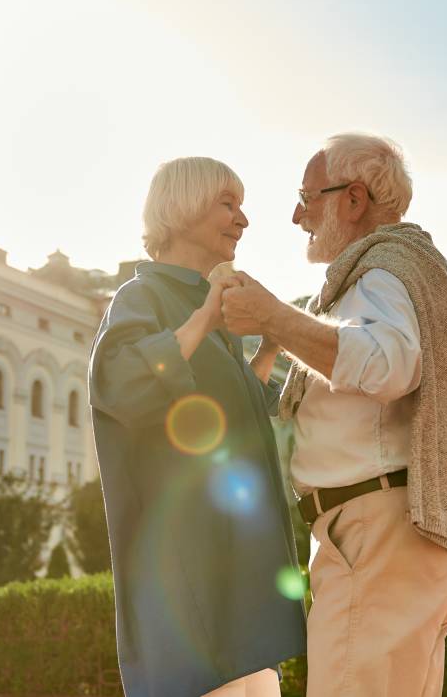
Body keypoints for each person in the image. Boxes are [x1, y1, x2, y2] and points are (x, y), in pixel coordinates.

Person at [219, 133, 447, 696]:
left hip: (377, 533)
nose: (295, 215)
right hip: (386, 535)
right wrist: (275, 339)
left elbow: (386, 366)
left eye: (307, 197)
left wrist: (277, 318)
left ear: (353, 199)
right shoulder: (391, 273)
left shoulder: (383, 271)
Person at [89, 157, 307, 697]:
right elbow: (121, 383)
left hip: (237, 572)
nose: (243, 220)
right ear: (182, 208)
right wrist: (208, 315)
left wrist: (271, 343)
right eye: (227, 204)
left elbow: (238, 409)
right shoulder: (142, 298)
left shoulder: (207, 313)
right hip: (190, 575)